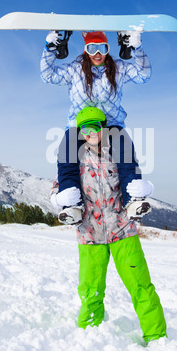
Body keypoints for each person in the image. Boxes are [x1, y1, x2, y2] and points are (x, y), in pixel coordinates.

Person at [50, 107, 167, 345]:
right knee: (90, 288)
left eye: (96, 126)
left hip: (123, 229)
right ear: (80, 132)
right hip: (89, 233)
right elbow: (60, 186)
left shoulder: (118, 152)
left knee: (140, 285)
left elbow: (133, 179)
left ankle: (156, 336)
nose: (91, 132)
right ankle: (89, 334)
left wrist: (147, 189)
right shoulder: (75, 158)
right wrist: (58, 199)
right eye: (86, 128)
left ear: (104, 127)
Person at [40, 29, 152, 224]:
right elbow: (48, 76)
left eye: (102, 48)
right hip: (80, 124)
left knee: (125, 151)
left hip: (111, 123)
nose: (97, 53)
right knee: (67, 154)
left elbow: (144, 75)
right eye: (92, 48)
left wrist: (138, 49)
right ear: (85, 50)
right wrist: (49, 49)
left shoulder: (117, 68)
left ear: (108, 49)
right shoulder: (76, 69)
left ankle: (132, 199)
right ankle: (72, 205)